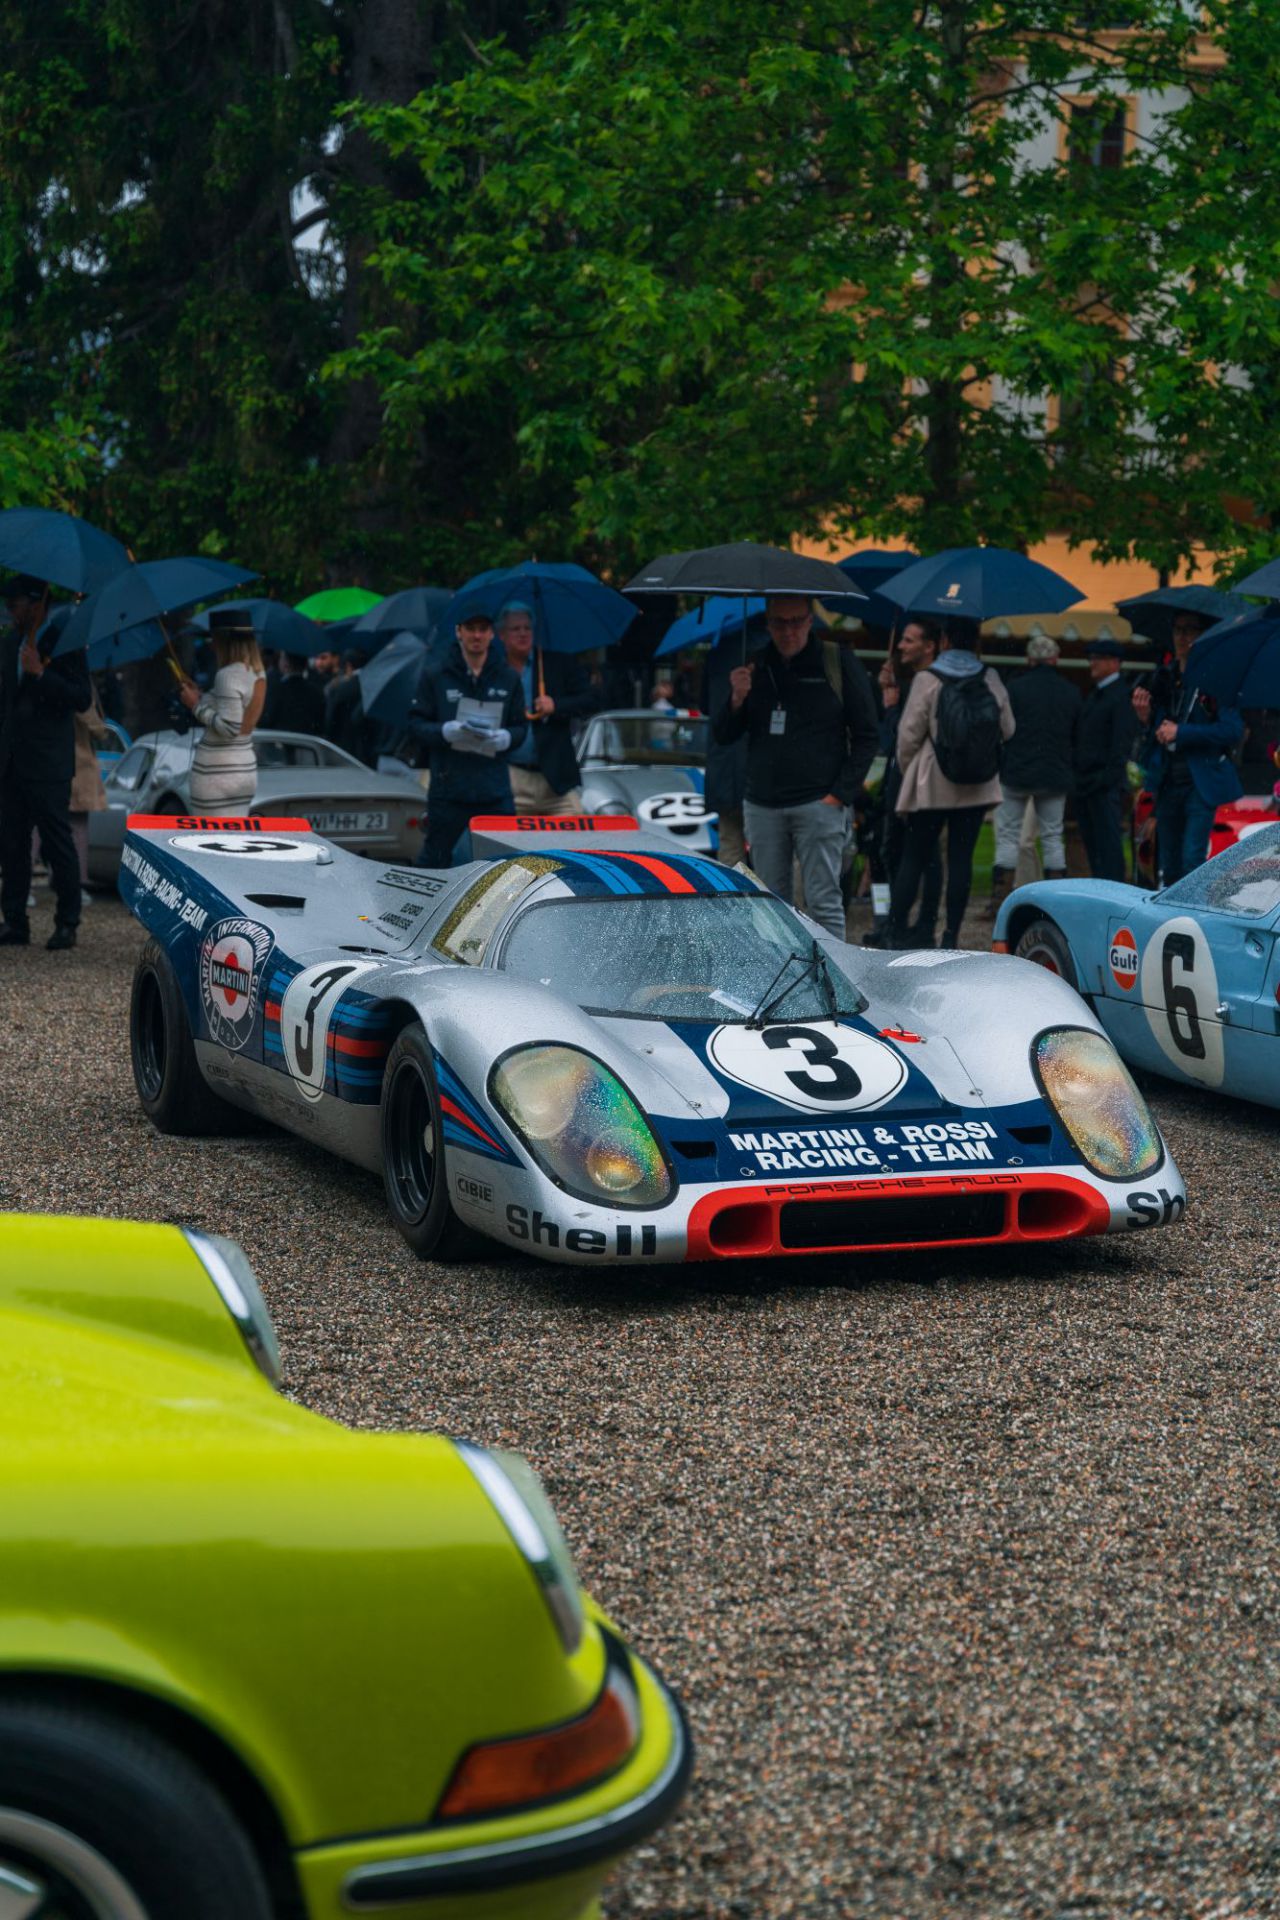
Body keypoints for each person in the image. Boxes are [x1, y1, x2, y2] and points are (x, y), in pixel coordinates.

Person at [713, 594, 878, 939]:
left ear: (809, 621)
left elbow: (867, 734)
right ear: (768, 623)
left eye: (796, 621)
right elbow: (725, 733)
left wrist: (839, 794)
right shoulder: (755, 665)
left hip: (818, 801)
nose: (788, 631)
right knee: (770, 904)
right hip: (763, 802)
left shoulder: (836, 661)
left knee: (824, 901)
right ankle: (783, 980)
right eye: (779, 622)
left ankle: (835, 981)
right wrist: (736, 699)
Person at [888, 625, 1014, 948]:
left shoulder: (928, 678)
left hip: (932, 781)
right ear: (977, 643)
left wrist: (909, 771)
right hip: (977, 785)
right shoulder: (990, 677)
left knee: (914, 857)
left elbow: (908, 735)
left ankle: (896, 931)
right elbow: (1009, 728)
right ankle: (950, 937)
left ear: (943, 641)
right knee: (962, 861)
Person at [0, 575, 92, 949]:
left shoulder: (64, 644)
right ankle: (15, 921)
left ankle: (67, 921)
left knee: (57, 844)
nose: (10, 611)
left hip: (48, 762)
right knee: (12, 846)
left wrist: (41, 674)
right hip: (11, 761)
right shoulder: (8, 644)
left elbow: (81, 698)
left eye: (16, 604)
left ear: (36, 604)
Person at [405, 604, 527, 866]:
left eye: (482, 629)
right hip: (449, 788)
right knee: (435, 859)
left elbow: (521, 728)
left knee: (506, 863)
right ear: (459, 632)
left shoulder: (507, 677)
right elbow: (415, 724)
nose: (476, 636)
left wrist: (506, 737)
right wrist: (444, 732)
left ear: (492, 634)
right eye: (470, 629)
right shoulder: (437, 674)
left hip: (493, 788)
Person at [1133, 613, 1243, 884]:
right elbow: (1159, 733)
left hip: (1199, 782)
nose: (1182, 637)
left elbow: (1232, 730)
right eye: (1178, 629)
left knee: (1191, 859)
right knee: (1168, 862)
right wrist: (1147, 719)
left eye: (1190, 630)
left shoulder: (1216, 680)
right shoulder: (1165, 678)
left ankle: (1191, 920)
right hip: (1168, 781)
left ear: (1202, 635)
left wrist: (1182, 732)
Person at [864, 619, 943, 947]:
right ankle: (902, 923)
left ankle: (904, 925)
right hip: (914, 780)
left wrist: (891, 707)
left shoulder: (925, 683)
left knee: (912, 853)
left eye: (909, 641)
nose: (901, 646)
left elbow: (901, 740)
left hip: (914, 781)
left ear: (929, 646)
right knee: (912, 853)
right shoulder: (915, 681)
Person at [991, 632, 1082, 908]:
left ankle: (999, 899)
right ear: (1055, 658)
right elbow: (1077, 735)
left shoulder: (1015, 688)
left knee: (1007, 835)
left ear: (1030, 658)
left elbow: (1002, 729)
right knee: (1053, 835)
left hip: (1017, 772)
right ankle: (1056, 901)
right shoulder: (1071, 691)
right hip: (1055, 774)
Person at [498, 601, 599, 813]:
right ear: (502, 635)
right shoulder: (495, 671)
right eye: (515, 629)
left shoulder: (557, 664)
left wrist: (557, 705)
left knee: (575, 838)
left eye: (527, 628)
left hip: (555, 780)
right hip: (511, 776)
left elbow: (591, 700)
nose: (523, 634)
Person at [178, 607, 267, 810]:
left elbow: (229, 727)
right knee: (235, 838)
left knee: (209, 839)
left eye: (213, 639)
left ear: (224, 641)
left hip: (217, 773)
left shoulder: (227, 675)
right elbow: (237, 712)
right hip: (245, 768)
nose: (211, 645)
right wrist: (203, 697)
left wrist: (195, 705)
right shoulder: (258, 673)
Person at [1074, 639, 1135, 881]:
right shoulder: (1098, 694)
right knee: (1095, 846)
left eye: (1098, 658)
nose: (1092, 663)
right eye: (1092, 658)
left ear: (1113, 663)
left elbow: (1121, 744)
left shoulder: (1119, 695)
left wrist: (1104, 779)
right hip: (1088, 783)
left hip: (1104, 785)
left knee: (1108, 847)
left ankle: (1112, 891)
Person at [262, 651, 325, 735]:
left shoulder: (276, 690)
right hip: (307, 744)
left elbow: (266, 721)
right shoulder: (317, 692)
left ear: (286, 663)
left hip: (277, 742)